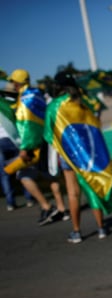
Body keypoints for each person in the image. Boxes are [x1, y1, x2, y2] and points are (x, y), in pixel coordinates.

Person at [44, 71, 109, 243]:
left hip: (68, 154)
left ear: (57, 87)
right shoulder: (82, 102)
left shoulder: (54, 105)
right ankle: (101, 228)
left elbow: (48, 134)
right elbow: (96, 126)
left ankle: (77, 232)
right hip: (87, 152)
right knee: (91, 187)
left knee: (73, 193)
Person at [7, 69, 67, 225]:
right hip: (48, 139)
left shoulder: (25, 99)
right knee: (51, 174)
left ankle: (47, 206)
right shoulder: (37, 93)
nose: (12, 84)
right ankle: (61, 209)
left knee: (23, 175)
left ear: (17, 82)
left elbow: (27, 125)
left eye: (13, 81)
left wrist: (25, 148)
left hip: (34, 144)